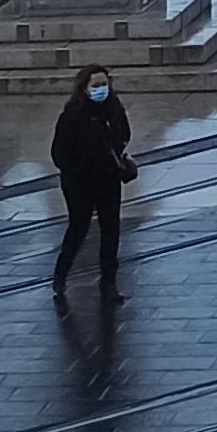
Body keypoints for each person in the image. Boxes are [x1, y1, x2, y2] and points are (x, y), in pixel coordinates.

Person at [49, 65, 132, 294]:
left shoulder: (114, 108)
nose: (101, 89)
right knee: (79, 227)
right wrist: (78, 172)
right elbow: (59, 153)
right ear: (84, 88)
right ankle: (61, 274)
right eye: (96, 85)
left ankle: (109, 282)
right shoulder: (73, 115)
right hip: (80, 183)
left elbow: (124, 134)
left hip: (108, 178)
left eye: (104, 84)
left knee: (111, 229)